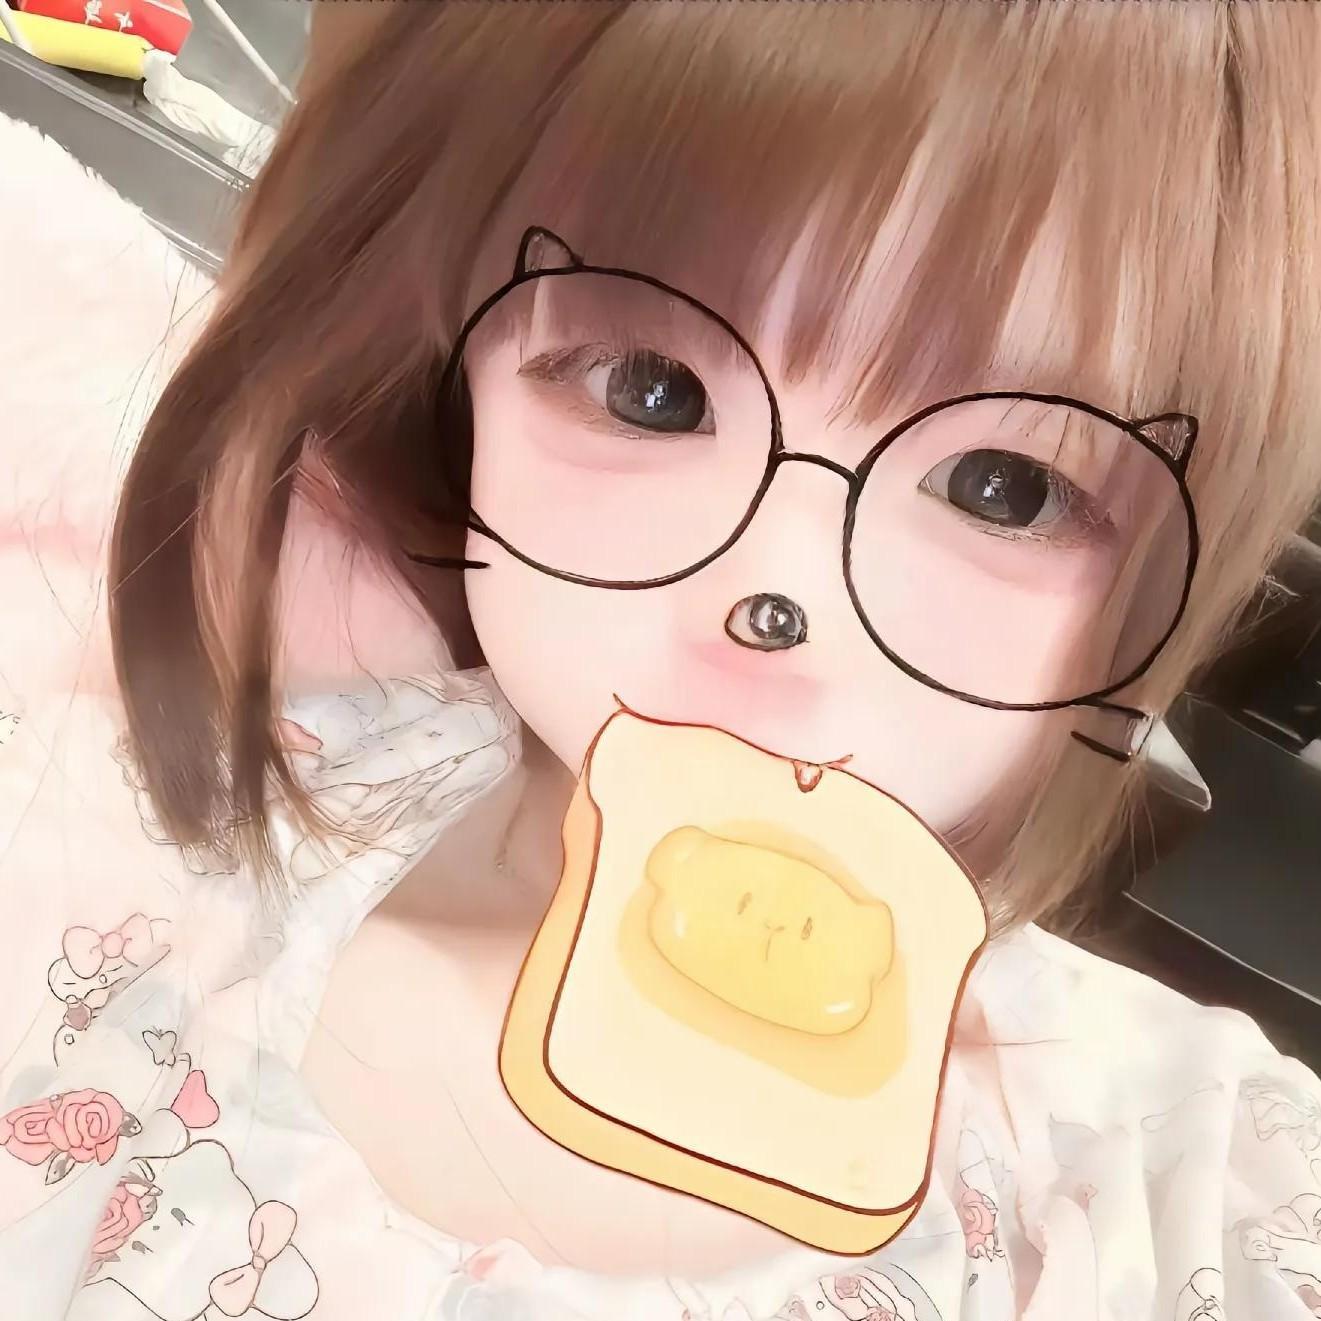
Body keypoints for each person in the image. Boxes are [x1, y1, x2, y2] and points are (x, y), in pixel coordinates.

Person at [2, 5, 1320, 1318]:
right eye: (652, 387)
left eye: (1001, 485)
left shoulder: (1184, 1179)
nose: (778, 597)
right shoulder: (119, 840)